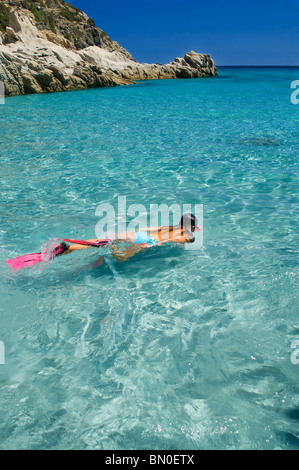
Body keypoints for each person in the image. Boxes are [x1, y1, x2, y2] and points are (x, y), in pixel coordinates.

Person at [64, 213, 201, 262]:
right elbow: (170, 240)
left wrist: (135, 232)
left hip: (141, 234)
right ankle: (111, 249)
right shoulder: (188, 237)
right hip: (148, 241)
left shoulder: (171, 226)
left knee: (103, 241)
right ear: (193, 228)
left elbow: (149, 228)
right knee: (121, 258)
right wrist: (152, 245)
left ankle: (69, 248)